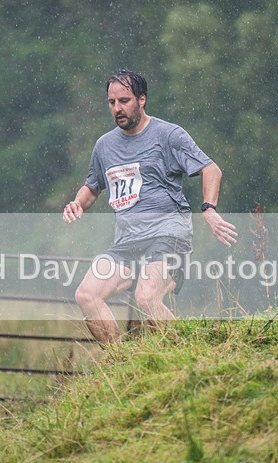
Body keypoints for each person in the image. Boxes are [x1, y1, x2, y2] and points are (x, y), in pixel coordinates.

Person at [62, 69, 237, 343]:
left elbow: (211, 169)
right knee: (86, 295)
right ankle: (121, 363)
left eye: (124, 100)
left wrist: (209, 209)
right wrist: (77, 203)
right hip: (128, 241)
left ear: (141, 100)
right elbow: (92, 187)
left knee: (146, 297)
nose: (117, 108)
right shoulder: (104, 146)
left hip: (168, 234)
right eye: (112, 103)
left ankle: (186, 352)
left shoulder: (168, 135)